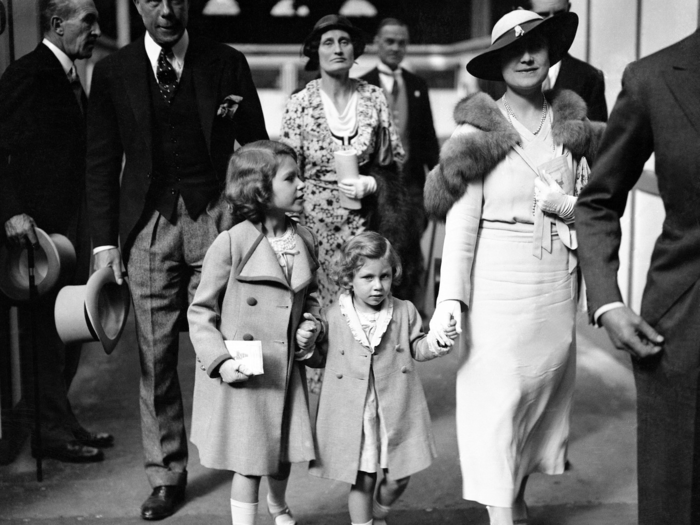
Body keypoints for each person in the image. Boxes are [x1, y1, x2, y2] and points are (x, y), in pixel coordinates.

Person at [85, 0, 268, 519]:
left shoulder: (226, 61)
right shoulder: (113, 70)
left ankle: (246, 459)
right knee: (155, 354)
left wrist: (249, 222)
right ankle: (167, 473)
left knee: (234, 339)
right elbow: (100, 161)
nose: (166, 10)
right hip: (147, 226)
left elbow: (254, 148)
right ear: (136, 4)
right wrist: (103, 244)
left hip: (217, 219)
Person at [426, 10, 603, 525]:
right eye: (512, 50)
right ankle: (504, 516)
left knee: (535, 404)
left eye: (537, 47)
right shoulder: (476, 130)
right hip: (496, 291)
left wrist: (569, 205)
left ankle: (513, 499)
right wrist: (449, 302)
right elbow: (460, 230)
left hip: (554, 285)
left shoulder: (574, 126)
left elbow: (598, 206)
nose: (526, 57)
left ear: (551, 55)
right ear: (497, 63)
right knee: (496, 406)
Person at [575, 29, 700, 525]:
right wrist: (607, 302)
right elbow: (597, 201)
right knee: (678, 499)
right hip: (685, 323)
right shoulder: (652, 78)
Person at [187, 141, 323, 525]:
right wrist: (222, 361)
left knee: (281, 457)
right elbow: (200, 311)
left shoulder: (305, 239)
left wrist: (311, 327)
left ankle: (278, 505)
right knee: (248, 464)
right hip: (246, 371)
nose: (302, 185)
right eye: (290, 178)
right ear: (261, 190)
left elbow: (311, 299)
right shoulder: (231, 243)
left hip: (285, 367)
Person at [0, 0, 110, 463]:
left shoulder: (69, 75)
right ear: (57, 24)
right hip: (36, 232)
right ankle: (48, 432)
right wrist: (13, 210)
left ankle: (61, 420)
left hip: (68, 224)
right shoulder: (28, 74)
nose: (96, 31)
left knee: (66, 326)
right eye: (89, 22)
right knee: (44, 333)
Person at [309, 231, 454, 525]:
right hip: (356, 412)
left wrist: (436, 341)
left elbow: (417, 346)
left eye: (385, 277)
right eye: (368, 277)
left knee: (399, 477)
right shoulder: (334, 316)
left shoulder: (404, 311)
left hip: (395, 407)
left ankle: (379, 510)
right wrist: (307, 344)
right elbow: (319, 358)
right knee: (363, 478)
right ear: (349, 278)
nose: (378, 286)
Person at [280, 14, 418, 310]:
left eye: (345, 42)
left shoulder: (374, 97)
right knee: (322, 310)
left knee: (365, 304)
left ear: (355, 51)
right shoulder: (299, 103)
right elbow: (289, 172)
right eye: (328, 43)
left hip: (366, 220)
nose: (338, 49)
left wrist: (372, 183)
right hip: (314, 224)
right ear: (316, 52)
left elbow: (394, 159)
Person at [360, 18, 440, 309]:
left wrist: (440, 180)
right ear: (377, 43)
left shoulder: (417, 85)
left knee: (410, 252)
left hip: (414, 187)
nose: (395, 48)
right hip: (377, 187)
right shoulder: (363, 85)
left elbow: (428, 138)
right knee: (377, 249)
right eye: (389, 41)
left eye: (401, 42)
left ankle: (409, 311)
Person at [478, 0, 608, 123]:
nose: (553, 23)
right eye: (543, 15)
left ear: (568, 9)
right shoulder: (491, 79)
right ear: (521, 11)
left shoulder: (589, 77)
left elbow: (599, 142)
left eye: (559, 14)